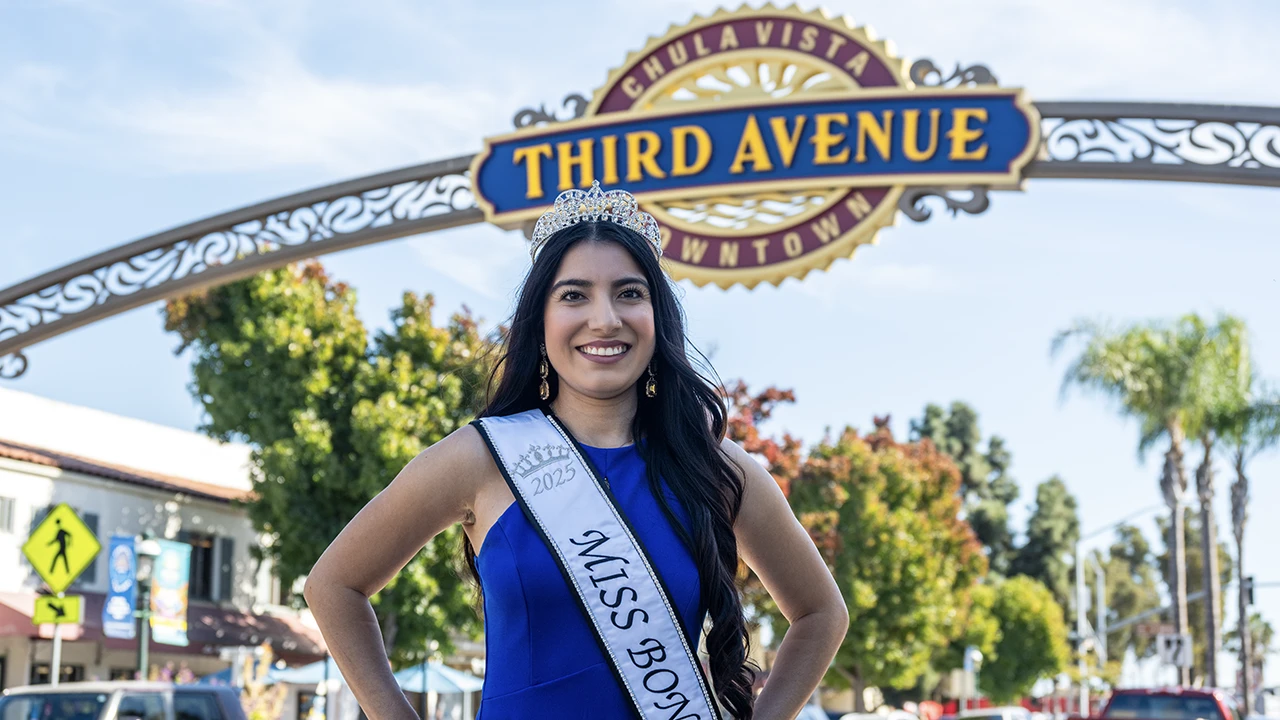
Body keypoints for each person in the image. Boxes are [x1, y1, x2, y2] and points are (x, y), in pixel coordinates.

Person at [304, 182, 848, 720]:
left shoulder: (716, 467)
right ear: (541, 321)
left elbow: (821, 613)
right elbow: (334, 586)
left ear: (658, 316)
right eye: (574, 295)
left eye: (630, 293)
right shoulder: (481, 458)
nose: (605, 318)